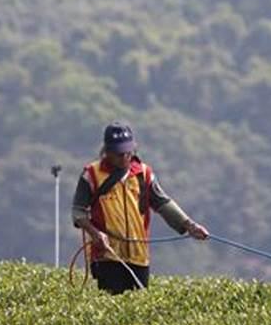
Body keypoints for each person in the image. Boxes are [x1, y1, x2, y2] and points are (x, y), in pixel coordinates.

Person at [72, 121, 209, 294]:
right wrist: (95, 233)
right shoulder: (91, 174)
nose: (125, 157)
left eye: (128, 152)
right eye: (119, 153)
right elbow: (78, 213)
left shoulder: (143, 173)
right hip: (107, 255)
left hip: (139, 256)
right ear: (107, 152)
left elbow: (163, 203)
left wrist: (190, 226)